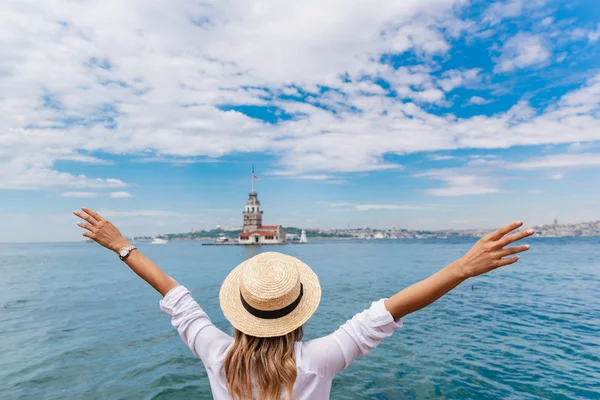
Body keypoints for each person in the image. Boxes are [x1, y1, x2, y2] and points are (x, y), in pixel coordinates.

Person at [74, 207, 533, 400]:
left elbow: (174, 294)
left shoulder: (216, 356)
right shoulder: (316, 363)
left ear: (240, 309)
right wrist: (463, 267)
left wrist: (120, 244)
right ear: (299, 312)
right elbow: (391, 309)